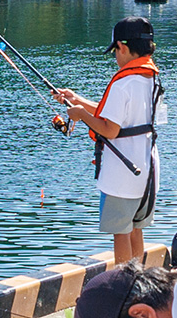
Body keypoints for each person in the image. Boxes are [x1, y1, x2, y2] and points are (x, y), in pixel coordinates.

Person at [54, 17, 164, 263]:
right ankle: (138, 283)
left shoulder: (122, 83)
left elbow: (111, 129)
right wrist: (77, 100)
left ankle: (123, 286)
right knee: (136, 229)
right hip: (147, 169)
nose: (115, 57)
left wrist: (81, 115)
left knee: (121, 233)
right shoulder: (150, 78)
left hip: (123, 173)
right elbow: (119, 117)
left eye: (115, 51)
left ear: (122, 48)